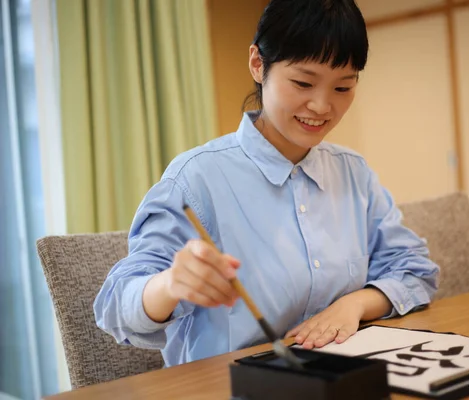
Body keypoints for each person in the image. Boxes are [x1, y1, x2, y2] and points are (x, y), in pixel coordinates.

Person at [94, 0, 439, 368]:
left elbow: (414, 269)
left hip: (337, 378)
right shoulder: (196, 180)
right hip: (228, 386)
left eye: (343, 87)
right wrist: (169, 284)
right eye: (303, 82)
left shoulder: (353, 173)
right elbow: (115, 307)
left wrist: (353, 304)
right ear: (258, 64)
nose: (322, 106)